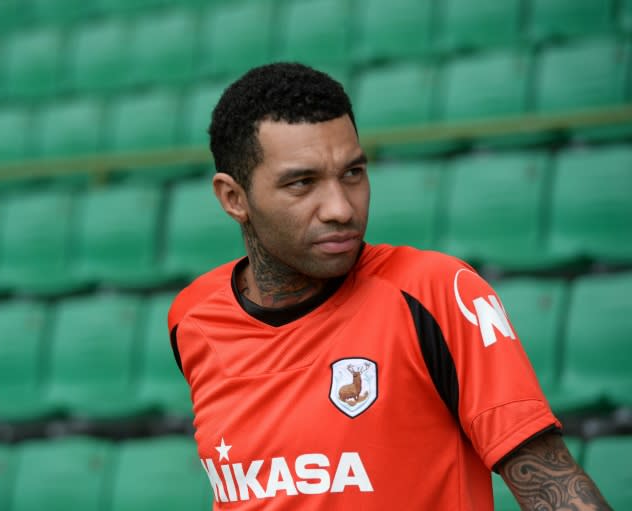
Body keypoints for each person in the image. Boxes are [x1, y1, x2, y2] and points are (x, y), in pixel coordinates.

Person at [167, 62, 611, 510]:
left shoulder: (435, 292)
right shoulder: (193, 318)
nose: (340, 207)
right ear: (233, 198)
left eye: (353, 173)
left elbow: (553, 487)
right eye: (302, 183)